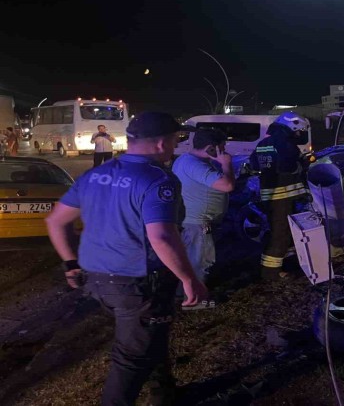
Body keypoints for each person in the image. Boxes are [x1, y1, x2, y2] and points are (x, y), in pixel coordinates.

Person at [44, 111, 207, 405]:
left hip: (96, 281)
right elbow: (161, 236)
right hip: (137, 284)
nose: (175, 146)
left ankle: (165, 395)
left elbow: (56, 221)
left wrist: (70, 263)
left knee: (150, 335)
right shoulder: (159, 179)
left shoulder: (94, 174)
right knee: (131, 358)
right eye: (175, 140)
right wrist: (189, 279)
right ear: (161, 143)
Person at [250, 111, 310, 280]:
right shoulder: (285, 143)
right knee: (280, 235)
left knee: (282, 232)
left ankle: (286, 264)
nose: (299, 135)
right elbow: (288, 167)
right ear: (291, 127)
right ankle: (271, 273)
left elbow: (254, 164)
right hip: (283, 196)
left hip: (270, 195)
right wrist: (302, 164)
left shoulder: (263, 143)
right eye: (298, 131)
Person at [172, 128, 234, 292]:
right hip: (198, 224)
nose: (224, 151)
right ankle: (194, 298)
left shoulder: (186, 159)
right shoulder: (195, 165)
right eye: (222, 147)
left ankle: (185, 294)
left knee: (191, 260)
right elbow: (227, 185)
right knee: (199, 262)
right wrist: (226, 163)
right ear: (211, 148)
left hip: (194, 220)